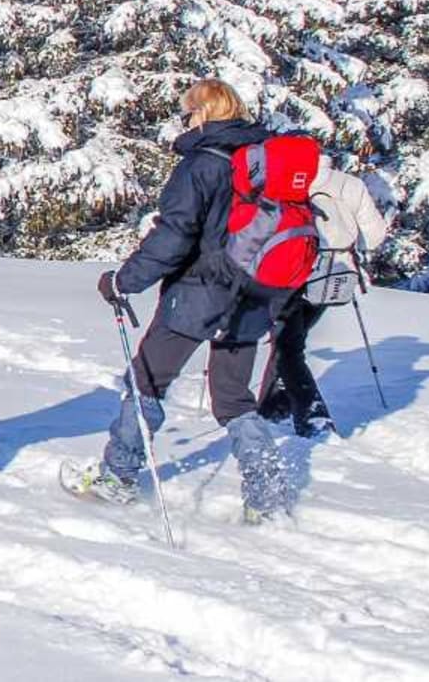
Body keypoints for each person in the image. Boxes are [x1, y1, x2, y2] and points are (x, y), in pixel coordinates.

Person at [67, 79, 289, 523]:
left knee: (146, 380)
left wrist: (124, 280)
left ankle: (118, 476)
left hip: (200, 289)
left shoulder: (203, 163)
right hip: (255, 292)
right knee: (233, 398)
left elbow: (175, 235)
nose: (184, 120)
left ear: (203, 113)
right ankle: (267, 498)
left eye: (187, 112)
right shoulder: (264, 158)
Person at [258, 164, 389, 436]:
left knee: (287, 347)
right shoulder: (349, 185)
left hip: (292, 273)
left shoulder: (282, 181)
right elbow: (373, 237)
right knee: (290, 343)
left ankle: (313, 417)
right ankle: (276, 407)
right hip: (335, 275)